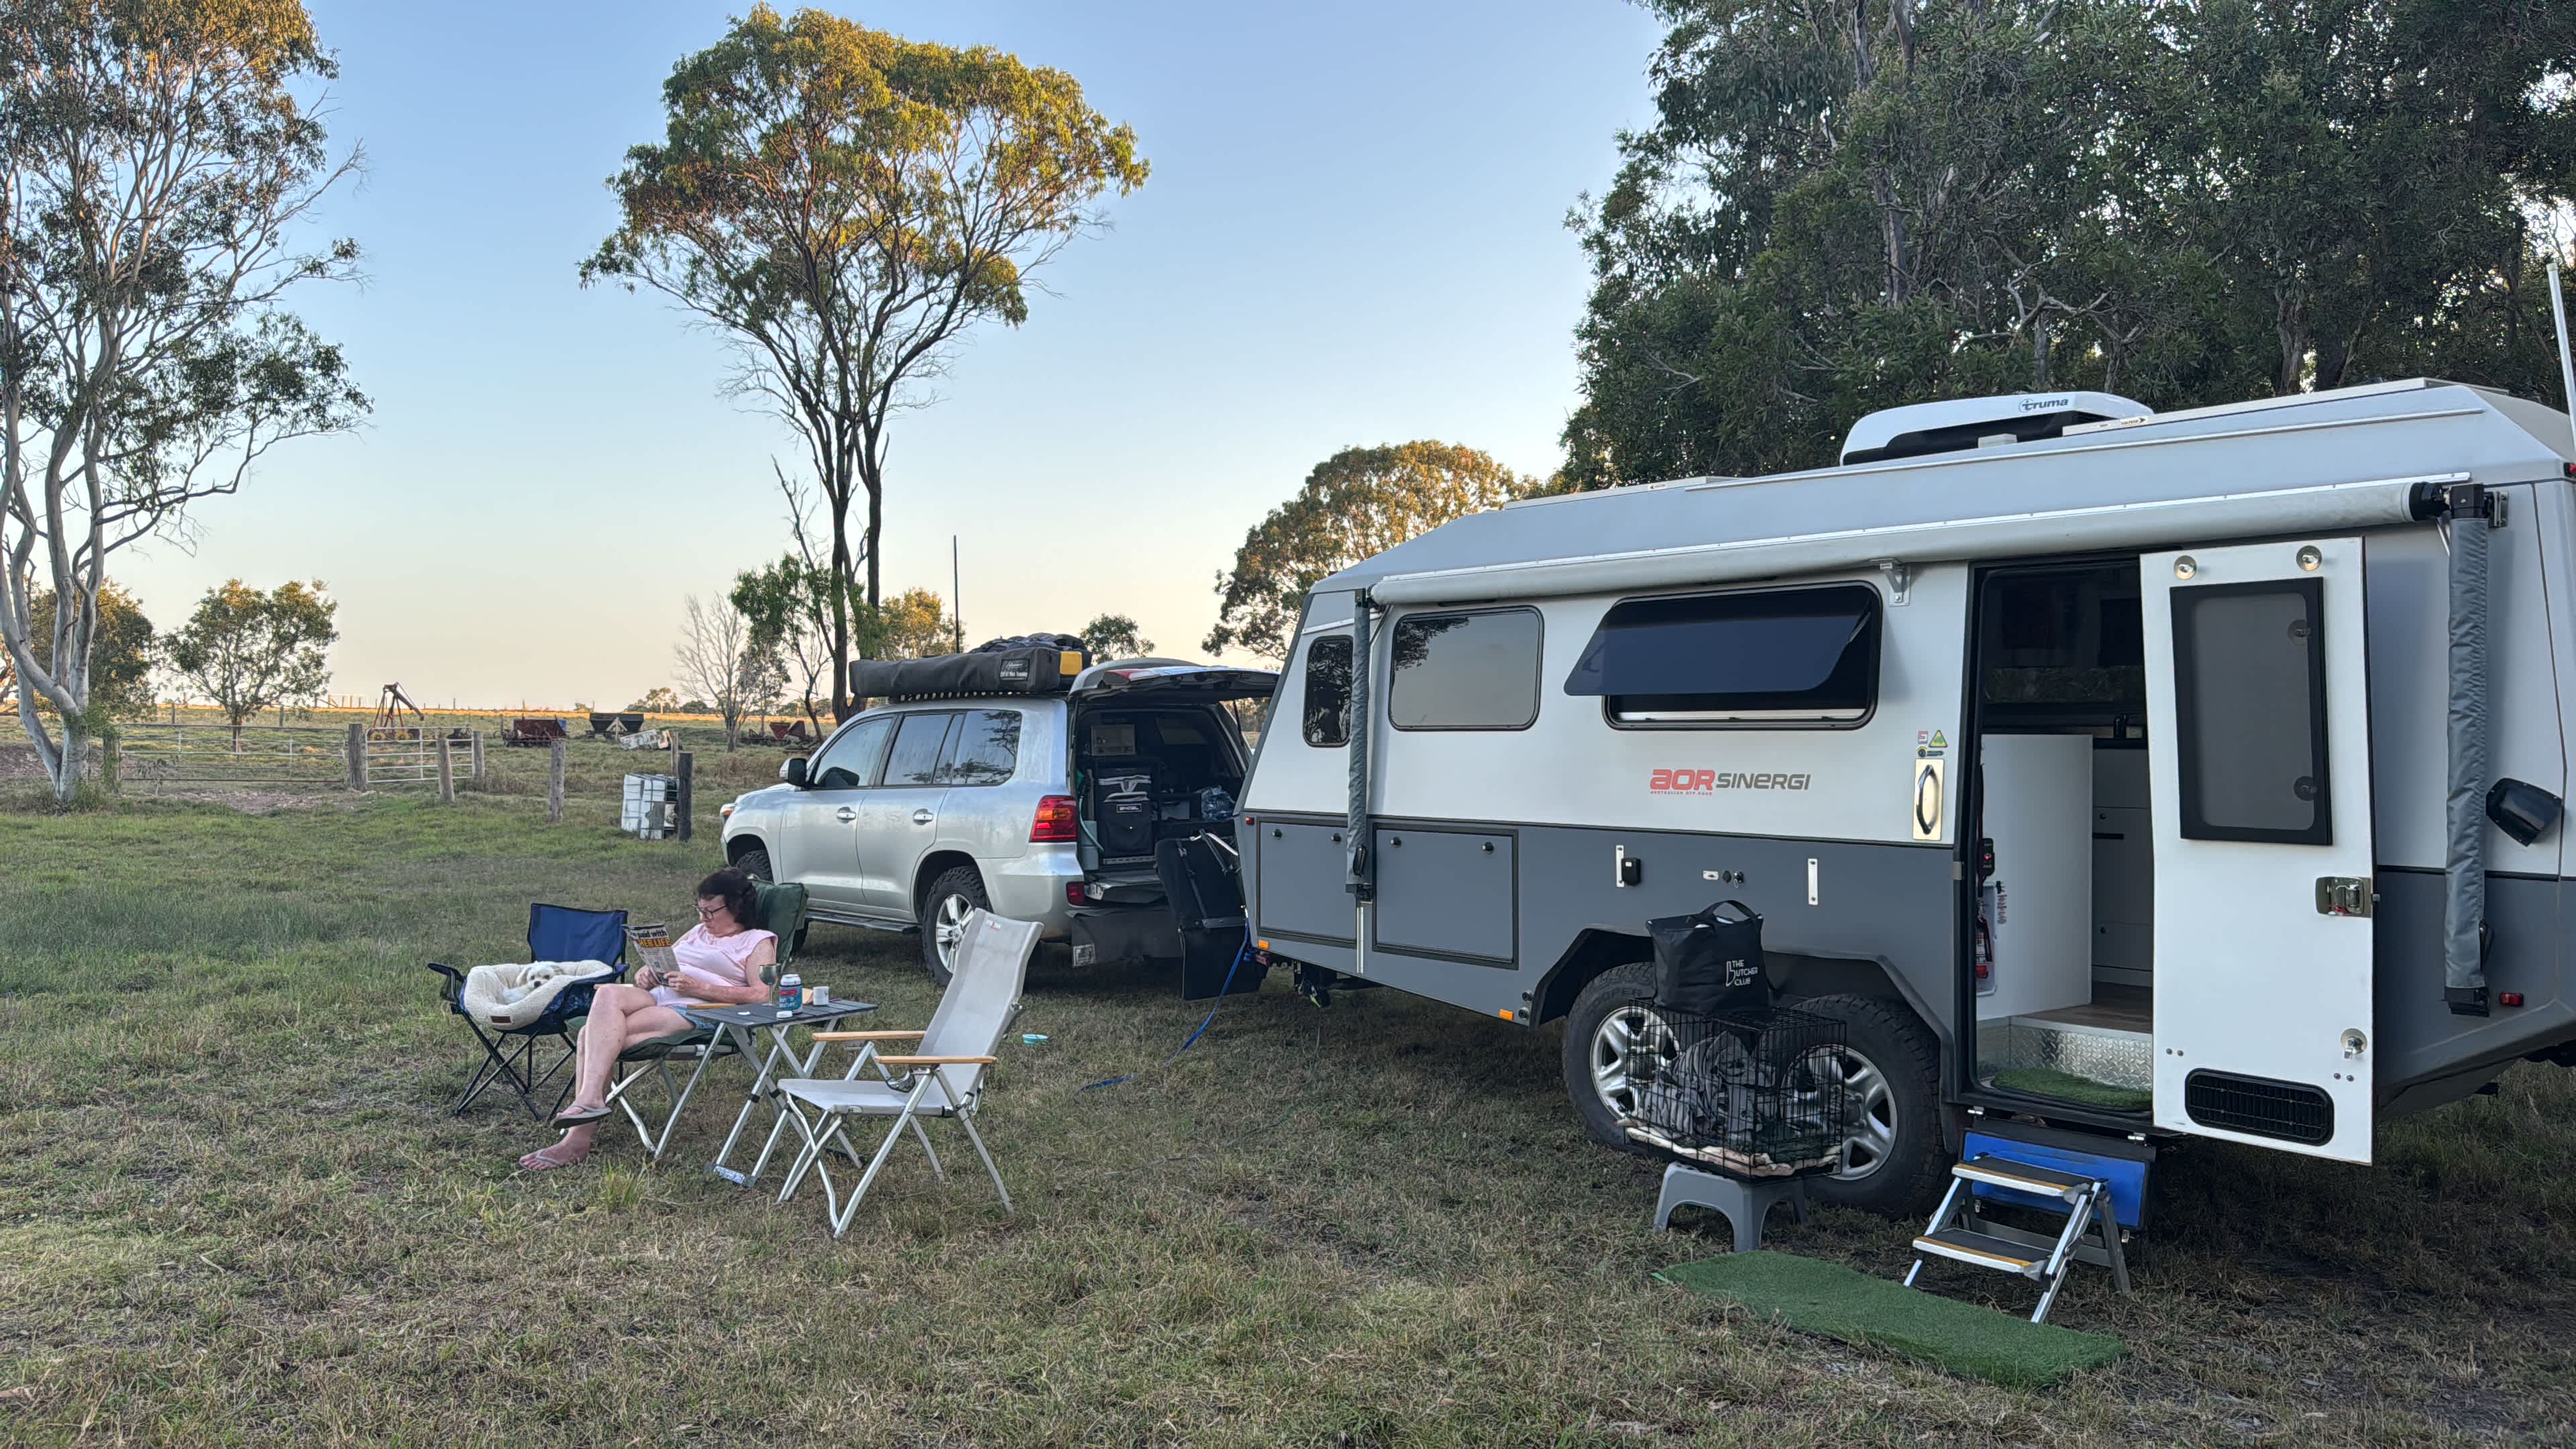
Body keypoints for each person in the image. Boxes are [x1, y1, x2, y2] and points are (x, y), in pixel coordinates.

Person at [518, 868, 777, 1171]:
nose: (703, 918)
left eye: (711, 911)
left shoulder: (756, 941)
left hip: (702, 1009)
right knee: (609, 994)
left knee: (590, 1034)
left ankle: (577, 1138)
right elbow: (669, 963)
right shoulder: (698, 933)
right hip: (660, 996)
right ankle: (590, 1101)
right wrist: (648, 975)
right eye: (700, 910)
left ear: (736, 907)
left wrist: (700, 988)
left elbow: (763, 995)